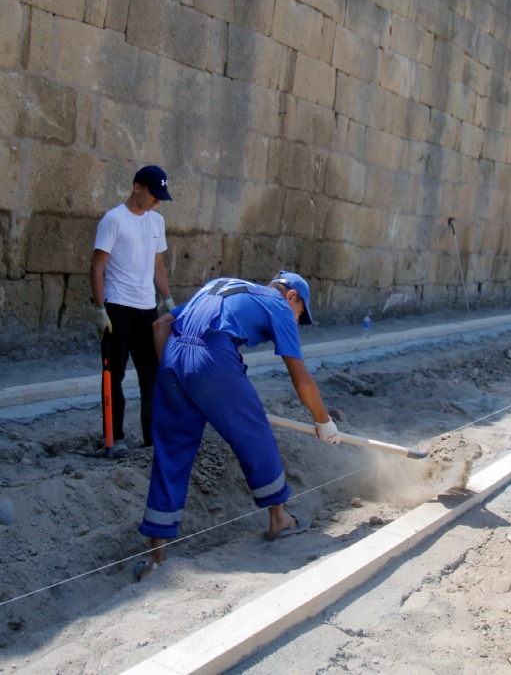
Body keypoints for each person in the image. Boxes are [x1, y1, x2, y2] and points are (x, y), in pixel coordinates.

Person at [134, 271, 340, 581]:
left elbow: (160, 324)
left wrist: (178, 378)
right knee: (255, 436)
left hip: (173, 360)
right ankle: (280, 520)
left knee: (170, 456)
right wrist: (323, 421)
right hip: (213, 358)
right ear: (291, 296)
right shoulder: (280, 306)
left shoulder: (221, 284)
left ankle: (156, 560)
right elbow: (299, 375)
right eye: (301, 314)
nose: (297, 321)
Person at [90, 165, 175, 457]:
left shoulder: (157, 222)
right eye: (154, 194)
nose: (157, 201)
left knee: (151, 374)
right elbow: (97, 266)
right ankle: (114, 438)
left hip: (147, 308)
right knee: (113, 374)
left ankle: (152, 439)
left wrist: (169, 301)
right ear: (137, 187)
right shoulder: (114, 220)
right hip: (117, 306)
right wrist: (100, 309)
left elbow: (158, 265)